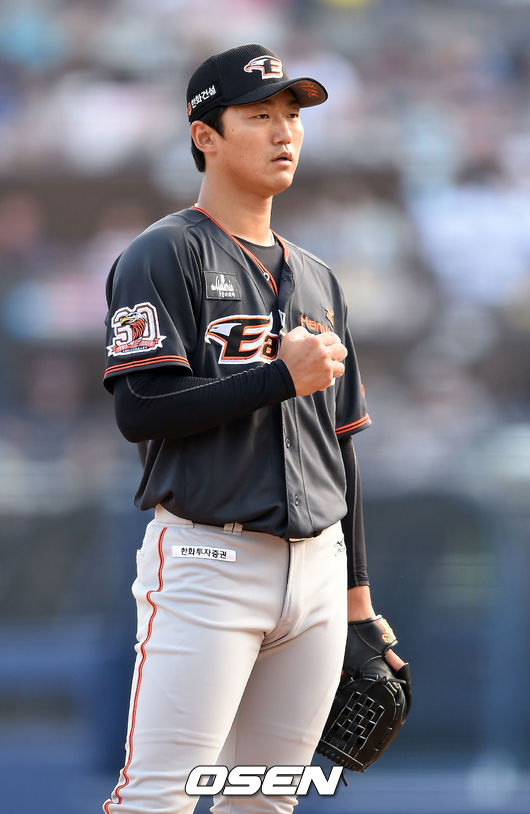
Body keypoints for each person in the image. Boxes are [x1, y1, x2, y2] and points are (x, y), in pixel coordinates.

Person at [102, 42, 405, 814]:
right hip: (211, 562)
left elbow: (340, 448)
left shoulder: (319, 279)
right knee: (158, 799)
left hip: (318, 573)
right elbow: (140, 410)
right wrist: (277, 378)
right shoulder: (163, 252)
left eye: (293, 116)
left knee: (265, 804)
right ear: (205, 135)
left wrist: (358, 604)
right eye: (260, 115)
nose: (284, 132)